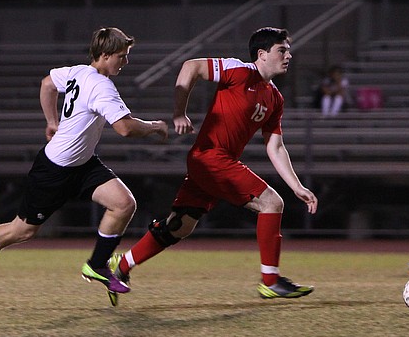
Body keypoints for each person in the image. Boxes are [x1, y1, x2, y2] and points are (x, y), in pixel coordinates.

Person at [0, 27, 168, 306]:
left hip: (83, 164)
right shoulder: (101, 86)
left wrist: (52, 121)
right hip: (55, 170)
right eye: (122, 57)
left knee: (123, 204)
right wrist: (154, 127)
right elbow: (124, 128)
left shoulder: (77, 71)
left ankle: (98, 264)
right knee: (22, 231)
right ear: (105, 54)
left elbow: (47, 84)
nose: (125, 62)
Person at [112, 27, 319, 300]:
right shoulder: (239, 71)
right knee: (271, 203)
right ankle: (270, 280)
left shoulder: (274, 98)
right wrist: (179, 113)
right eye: (282, 50)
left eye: (288, 50)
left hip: (214, 162)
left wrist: (297, 186)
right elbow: (191, 67)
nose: (288, 55)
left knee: (180, 226)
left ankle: (121, 265)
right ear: (262, 54)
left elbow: (275, 146)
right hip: (210, 157)